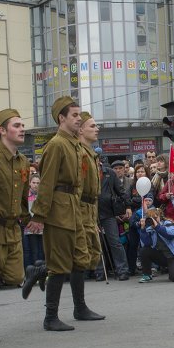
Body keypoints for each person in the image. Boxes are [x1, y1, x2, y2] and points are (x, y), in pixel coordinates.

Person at [25, 96, 94, 331]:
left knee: (80, 259)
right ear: (61, 118)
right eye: (74, 115)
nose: (78, 118)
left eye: (79, 114)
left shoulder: (73, 143)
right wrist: (39, 215)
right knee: (59, 264)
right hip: (59, 209)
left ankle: (80, 307)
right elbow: (47, 182)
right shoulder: (56, 144)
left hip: (73, 206)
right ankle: (50, 316)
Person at [0, 109, 35, 343]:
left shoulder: (22, 161)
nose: (22, 129)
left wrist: (28, 218)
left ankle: (35, 271)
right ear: (2, 130)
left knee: (14, 276)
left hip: (13, 226)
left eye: (22, 125)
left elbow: (22, 195)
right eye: (16, 125)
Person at [72, 113, 109, 322]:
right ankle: (80, 307)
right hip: (79, 208)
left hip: (90, 208)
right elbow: (77, 186)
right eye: (92, 126)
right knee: (79, 257)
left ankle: (41, 270)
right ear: (80, 130)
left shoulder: (92, 154)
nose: (97, 129)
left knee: (89, 256)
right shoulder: (79, 153)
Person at [97, 154, 132, 281]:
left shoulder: (110, 173)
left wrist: (128, 206)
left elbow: (121, 191)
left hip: (108, 213)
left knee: (115, 242)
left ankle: (122, 270)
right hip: (92, 213)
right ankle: (100, 271)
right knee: (96, 243)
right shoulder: (85, 173)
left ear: (99, 161)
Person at [136, 207, 174, 282]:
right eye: (150, 218)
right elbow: (147, 244)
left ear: (159, 216)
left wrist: (158, 227)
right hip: (163, 257)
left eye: (155, 217)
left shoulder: (167, 223)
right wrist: (143, 229)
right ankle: (147, 275)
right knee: (144, 250)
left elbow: (172, 234)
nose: (153, 220)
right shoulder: (150, 229)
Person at [23, 174, 45, 269]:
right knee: (32, 250)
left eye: (38, 183)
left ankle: (41, 271)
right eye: (34, 182)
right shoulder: (26, 195)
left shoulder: (43, 195)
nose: (36, 185)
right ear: (30, 183)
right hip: (29, 226)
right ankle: (32, 271)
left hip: (41, 226)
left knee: (42, 250)